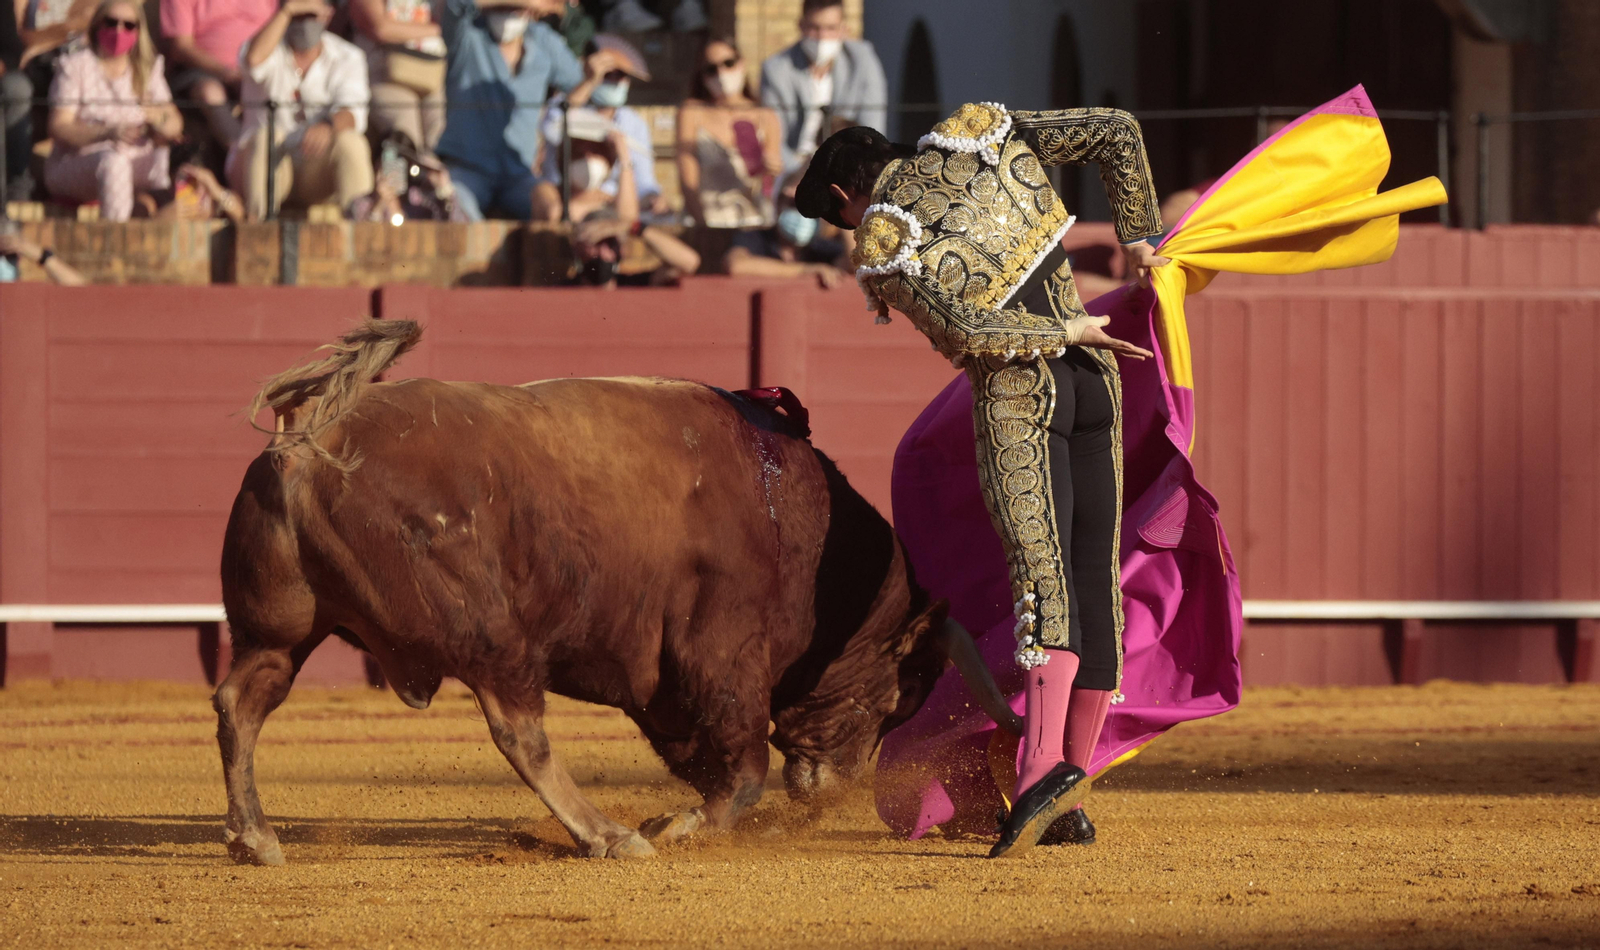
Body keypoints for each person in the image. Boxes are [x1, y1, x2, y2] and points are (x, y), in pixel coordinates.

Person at [795, 105, 1169, 857]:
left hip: (1021, 397)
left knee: (1045, 582)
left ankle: (1038, 774)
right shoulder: (982, 132)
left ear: (844, 197)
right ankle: (1070, 790)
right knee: (1095, 580)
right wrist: (1139, 238)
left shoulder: (884, 233)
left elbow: (968, 331)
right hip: (1099, 383)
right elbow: (1118, 131)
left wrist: (1060, 332)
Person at [435, 0, 626, 221]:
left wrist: (592, 79)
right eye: (502, 6)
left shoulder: (543, 39)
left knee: (554, 211)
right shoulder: (466, 33)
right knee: (456, 213)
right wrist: (527, 2)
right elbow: (456, 3)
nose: (508, 12)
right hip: (467, 170)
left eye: (514, 8)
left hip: (519, 175)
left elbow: (580, 92)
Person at [228, 0, 373, 220]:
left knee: (352, 143)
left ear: (328, 14)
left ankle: (365, 239)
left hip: (312, 169)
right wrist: (287, 11)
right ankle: (259, 235)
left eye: (310, 14)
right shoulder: (267, 47)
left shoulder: (348, 56)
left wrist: (328, 126)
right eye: (298, 14)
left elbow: (354, 112)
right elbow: (254, 61)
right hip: (262, 168)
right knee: (267, 137)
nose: (304, 22)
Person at [43, 0, 182, 221]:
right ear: (97, 26)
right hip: (80, 165)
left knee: (169, 166)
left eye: (128, 25)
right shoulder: (75, 66)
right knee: (114, 162)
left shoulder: (147, 68)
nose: (119, 30)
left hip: (140, 165)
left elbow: (174, 122)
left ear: (138, 31)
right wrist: (106, 133)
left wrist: (159, 120)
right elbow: (58, 126)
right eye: (111, 22)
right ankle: (117, 240)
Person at [530, 32, 654, 222]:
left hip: (614, 203)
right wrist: (589, 81)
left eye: (621, 74)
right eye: (607, 74)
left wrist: (626, 163)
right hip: (571, 200)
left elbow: (642, 190)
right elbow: (553, 127)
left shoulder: (635, 123)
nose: (614, 80)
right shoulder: (565, 105)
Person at [565, 122, 696, 287]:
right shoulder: (560, 289)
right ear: (578, 247)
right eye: (596, 243)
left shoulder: (633, 284)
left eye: (610, 244)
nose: (602, 253)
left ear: (622, 251)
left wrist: (633, 227)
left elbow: (689, 263)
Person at [759, 0, 884, 170]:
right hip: (794, 168)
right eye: (814, 27)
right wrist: (799, 174)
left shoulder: (863, 60)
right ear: (801, 26)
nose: (822, 36)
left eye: (831, 28)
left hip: (849, 166)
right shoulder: (776, 68)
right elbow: (775, 138)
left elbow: (873, 131)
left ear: (843, 28)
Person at [677, 36, 779, 229]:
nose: (721, 73)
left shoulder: (765, 115)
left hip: (752, 220)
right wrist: (702, 227)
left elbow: (769, 183)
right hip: (706, 219)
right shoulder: (692, 112)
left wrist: (770, 169)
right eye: (711, 69)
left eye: (728, 63)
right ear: (702, 75)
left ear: (742, 64)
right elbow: (687, 181)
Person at [160, 0, 277, 150]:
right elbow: (181, 47)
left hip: (261, 69)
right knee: (210, 93)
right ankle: (243, 155)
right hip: (200, 71)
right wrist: (228, 74)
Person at [349, 0, 446, 155]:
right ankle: (398, 178)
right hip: (384, 76)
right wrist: (435, 29)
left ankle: (435, 177)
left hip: (430, 75)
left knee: (440, 139)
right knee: (404, 138)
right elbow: (381, 28)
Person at [723, 167, 846, 286]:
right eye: (794, 203)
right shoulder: (754, 238)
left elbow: (857, 265)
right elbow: (736, 266)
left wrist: (842, 206)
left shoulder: (822, 249)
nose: (802, 213)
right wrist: (806, 270)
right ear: (778, 204)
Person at [0, 218, 86, 283]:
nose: (3, 261)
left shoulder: (26, 292)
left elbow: (80, 290)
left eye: (10, 256)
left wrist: (41, 255)